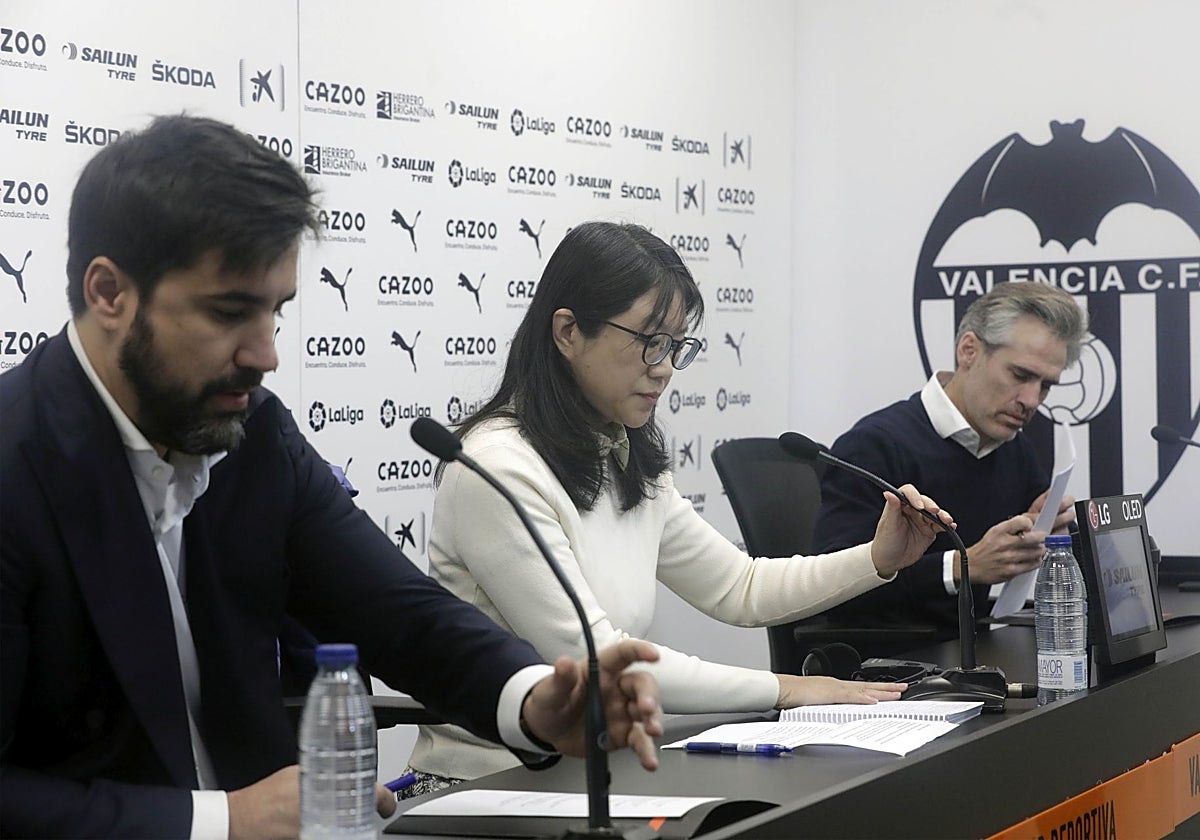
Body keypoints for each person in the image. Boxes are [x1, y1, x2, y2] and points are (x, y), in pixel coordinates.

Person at [0, 115, 665, 840]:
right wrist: (224, 820)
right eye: (230, 313)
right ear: (108, 293)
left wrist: (536, 699)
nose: (266, 354)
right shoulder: (14, 462)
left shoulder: (254, 434)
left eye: (276, 311)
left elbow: (399, 614)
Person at [403, 222, 956, 793]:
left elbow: (738, 586)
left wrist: (878, 558)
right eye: (651, 341)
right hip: (485, 786)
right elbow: (599, 660)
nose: (664, 367)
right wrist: (787, 688)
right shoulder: (498, 466)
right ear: (568, 332)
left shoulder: (621, 450)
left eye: (676, 346)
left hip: (593, 772)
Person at [812, 281, 1088, 645]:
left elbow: (1024, 550)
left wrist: (1044, 531)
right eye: (1020, 375)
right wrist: (962, 566)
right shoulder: (876, 445)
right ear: (969, 351)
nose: (1032, 400)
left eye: (1046, 386)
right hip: (892, 670)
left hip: (980, 652)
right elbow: (830, 590)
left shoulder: (1013, 448)